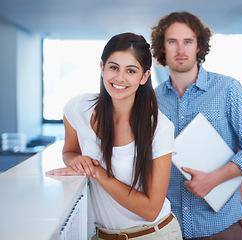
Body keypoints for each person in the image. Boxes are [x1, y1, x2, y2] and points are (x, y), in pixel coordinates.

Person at [45, 33, 182, 240]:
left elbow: (151, 209)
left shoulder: (159, 128)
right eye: (113, 67)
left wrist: (99, 173)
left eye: (131, 71)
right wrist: (76, 161)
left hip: (153, 235)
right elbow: (70, 151)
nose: (119, 78)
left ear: (144, 77)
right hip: (102, 235)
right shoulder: (78, 109)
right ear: (102, 68)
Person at [151, 11, 242, 239]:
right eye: (172, 42)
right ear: (162, 47)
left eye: (188, 41)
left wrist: (214, 179)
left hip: (220, 225)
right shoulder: (151, 101)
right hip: (169, 227)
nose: (180, 50)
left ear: (198, 46)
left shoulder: (228, 89)